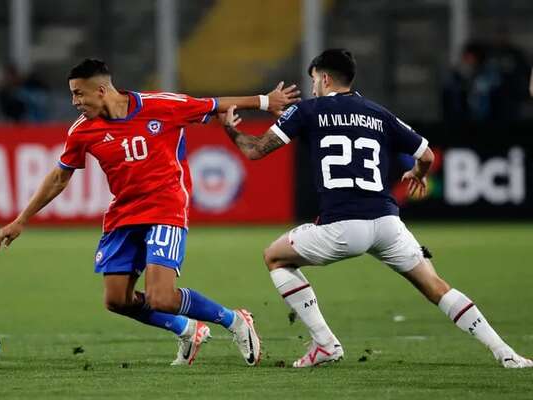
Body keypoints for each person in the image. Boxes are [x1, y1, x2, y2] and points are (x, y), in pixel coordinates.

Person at [218, 48, 533, 369]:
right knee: (437, 287)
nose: (313, 87)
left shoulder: (308, 112)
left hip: (341, 226)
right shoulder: (377, 112)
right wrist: (417, 175)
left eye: (314, 80)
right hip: (387, 223)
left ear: (324, 78)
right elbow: (426, 156)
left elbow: (255, 151)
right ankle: (507, 354)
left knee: (274, 256)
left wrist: (230, 130)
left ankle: (325, 344)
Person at [0, 58, 300, 366]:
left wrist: (264, 101)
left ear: (100, 90)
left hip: (166, 207)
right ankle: (187, 330)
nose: (74, 102)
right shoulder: (82, 131)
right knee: (116, 300)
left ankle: (235, 320)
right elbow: (60, 176)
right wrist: (21, 220)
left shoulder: (161, 105)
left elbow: (214, 104)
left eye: (78, 94)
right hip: (124, 213)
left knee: (161, 298)